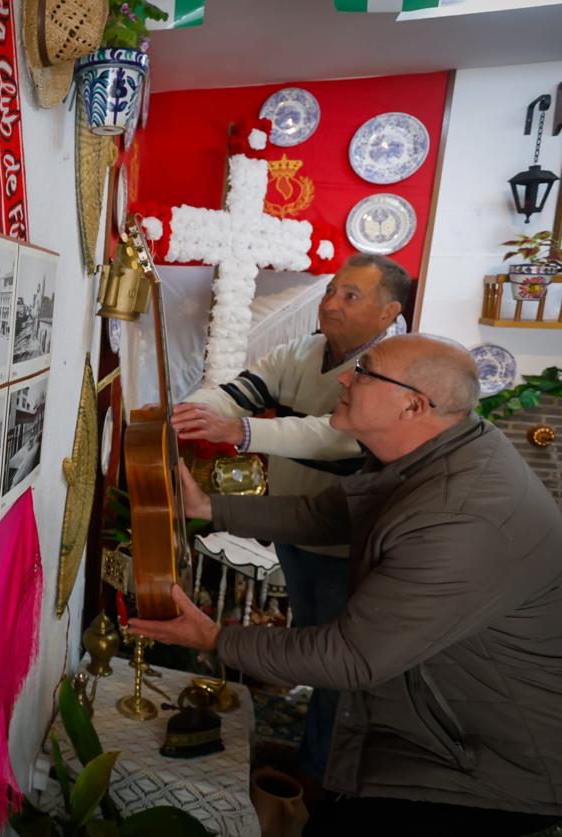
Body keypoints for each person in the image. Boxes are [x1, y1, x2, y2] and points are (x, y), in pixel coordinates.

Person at [131, 334, 562, 836]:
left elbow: (351, 657)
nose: (343, 378)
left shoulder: (460, 517)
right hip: (436, 727)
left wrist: (212, 638)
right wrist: (210, 507)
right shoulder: (438, 447)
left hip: (484, 768)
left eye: (365, 371)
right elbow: (334, 513)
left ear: (412, 405)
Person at [170, 252, 410, 778]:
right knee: (312, 639)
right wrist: (196, 411)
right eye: (331, 291)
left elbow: (339, 435)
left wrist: (243, 432)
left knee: (338, 660)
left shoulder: (397, 365)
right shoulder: (304, 349)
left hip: (345, 542)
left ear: (389, 311)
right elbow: (241, 391)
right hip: (296, 528)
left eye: (352, 296)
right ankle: (312, 754)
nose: (332, 303)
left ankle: (326, 776)